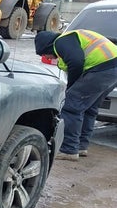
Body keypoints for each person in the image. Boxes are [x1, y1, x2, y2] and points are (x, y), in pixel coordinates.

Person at [34, 29, 117, 161]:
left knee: (71, 106)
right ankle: (81, 146)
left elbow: (76, 63)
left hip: (102, 68)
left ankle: (69, 149)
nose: (46, 57)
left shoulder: (61, 42)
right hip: (111, 68)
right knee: (89, 108)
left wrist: (71, 87)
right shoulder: (69, 41)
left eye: (44, 54)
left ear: (47, 46)